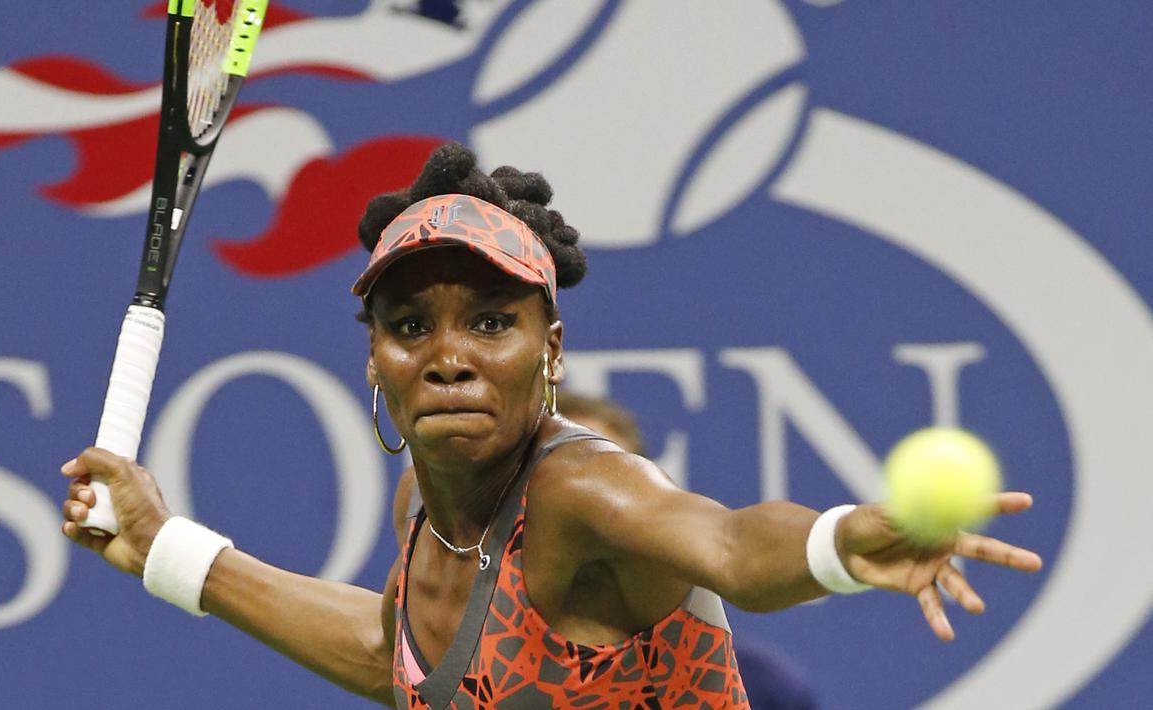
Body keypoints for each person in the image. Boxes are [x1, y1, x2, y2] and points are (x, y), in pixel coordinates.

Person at [60, 143, 1042, 708]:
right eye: (409, 325)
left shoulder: (581, 491)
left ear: (551, 349)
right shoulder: (424, 501)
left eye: (491, 320)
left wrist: (835, 542)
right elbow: (393, 654)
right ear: (373, 360)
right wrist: (162, 545)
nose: (447, 353)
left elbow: (731, 545)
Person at [557, 392, 819, 710]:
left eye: (613, 485)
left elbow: (733, 546)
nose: (590, 512)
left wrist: (836, 543)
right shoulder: (484, 661)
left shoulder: (764, 687)